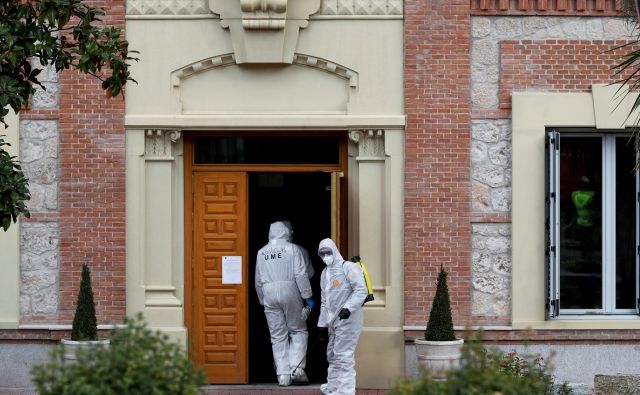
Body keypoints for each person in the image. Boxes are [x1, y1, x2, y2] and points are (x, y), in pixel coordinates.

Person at [255, 221, 315, 386]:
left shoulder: (261, 252)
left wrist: (262, 300)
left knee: (277, 335)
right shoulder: (293, 249)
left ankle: (283, 375)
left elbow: (258, 280)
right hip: (290, 289)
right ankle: (297, 369)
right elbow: (301, 274)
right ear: (287, 232)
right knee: (298, 330)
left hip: (268, 292)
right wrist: (308, 297)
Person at [317, 238, 368, 395]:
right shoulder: (325, 273)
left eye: (328, 252)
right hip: (333, 322)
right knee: (332, 354)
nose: (325, 256)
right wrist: (322, 324)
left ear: (335, 251)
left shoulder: (348, 267)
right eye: (322, 253)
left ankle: (345, 391)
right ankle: (333, 387)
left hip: (349, 319)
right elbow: (324, 302)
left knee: (343, 355)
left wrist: (348, 308)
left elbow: (361, 290)